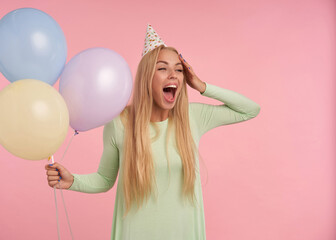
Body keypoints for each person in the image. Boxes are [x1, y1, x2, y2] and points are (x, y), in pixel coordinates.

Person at [45, 24, 261, 240]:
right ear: (147, 77)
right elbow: (105, 179)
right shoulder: (120, 123)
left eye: (179, 69)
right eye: (162, 68)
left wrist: (201, 85)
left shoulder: (191, 117)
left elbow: (250, 110)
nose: (173, 75)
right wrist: (73, 181)